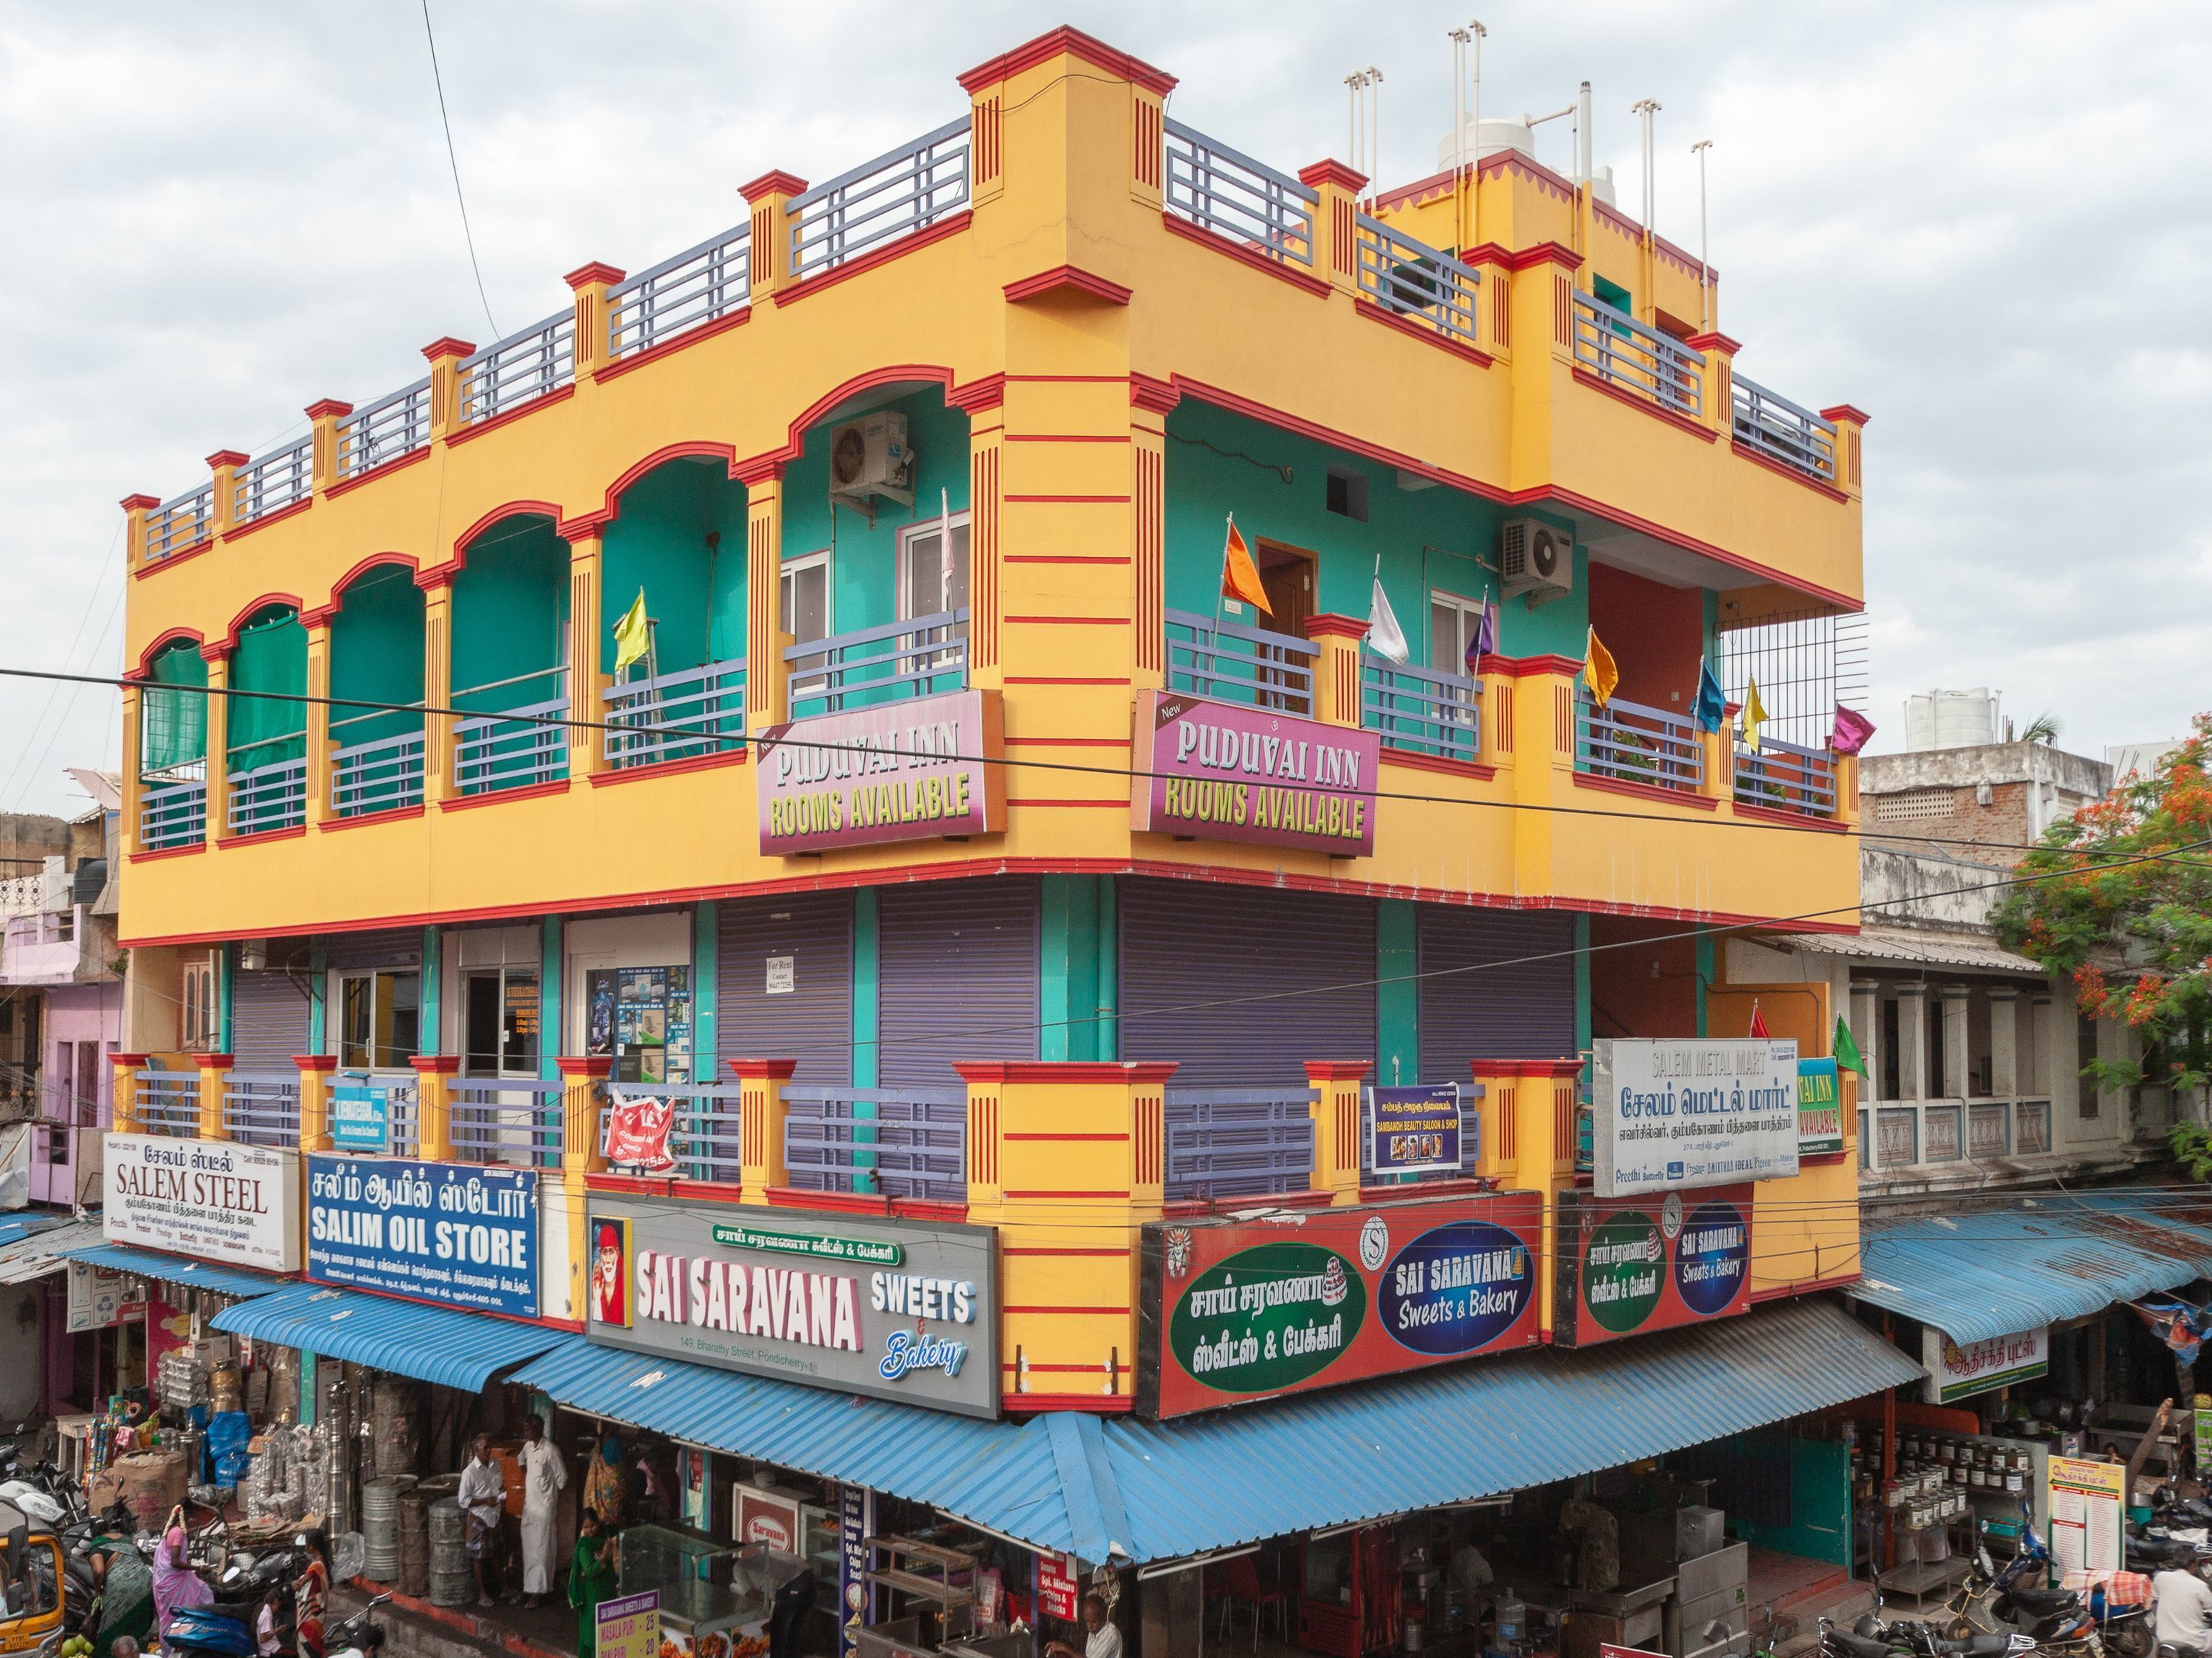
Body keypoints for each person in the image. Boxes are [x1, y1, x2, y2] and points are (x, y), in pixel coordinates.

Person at [517, 1414, 567, 1609]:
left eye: (529, 1430)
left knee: (542, 1552)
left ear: (539, 1429)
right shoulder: (528, 1447)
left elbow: (562, 1479)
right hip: (530, 1509)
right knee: (529, 1551)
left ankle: (539, 1593)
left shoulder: (551, 1450)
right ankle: (528, 1589)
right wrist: (528, 1477)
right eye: (525, 1429)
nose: (526, 1433)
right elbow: (521, 1460)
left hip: (545, 1510)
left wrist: (547, 1492)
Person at [85, 1534, 154, 1658]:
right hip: (144, 1580)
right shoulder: (125, 1538)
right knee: (137, 1621)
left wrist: (98, 1591)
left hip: (120, 1585)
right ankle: (136, 1651)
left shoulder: (96, 1546)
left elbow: (99, 1571)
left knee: (111, 1627)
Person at [459, 1433, 509, 1607]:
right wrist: (485, 1501)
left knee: (495, 1553)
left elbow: (500, 1485)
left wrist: (501, 1496)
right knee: (478, 1557)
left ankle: (504, 1588)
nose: (489, 1450)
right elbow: (463, 1501)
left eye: (490, 1447)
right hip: (479, 1517)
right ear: (476, 1449)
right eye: (485, 1448)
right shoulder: (470, 1472)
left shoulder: (496, 1465)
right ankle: (482, 1593)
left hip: (494, 1516)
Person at [150, 1510, 212, 1639]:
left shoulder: (171, 1529)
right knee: (202, 1597)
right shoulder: (178, 1532)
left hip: (170, 1580)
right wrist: (199, 1568)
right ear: (186, 1515)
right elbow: (175, 1562)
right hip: (175, 1581)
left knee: (204, 1594)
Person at [568, 1510, 620, 1658]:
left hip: (607, 1592)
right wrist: (603, 1556)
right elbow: (590, 1571)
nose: (590, 1530)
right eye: (586, 1527)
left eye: (592, 1526)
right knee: (592, 1637)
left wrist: (612, 1520)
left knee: (608, 1634)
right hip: (591, 1598)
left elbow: (617, 1528)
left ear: (598, 1524)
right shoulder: (584, 1546)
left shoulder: (604, 1536)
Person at [2154, 1559, 2212, 1657]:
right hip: (2194, 1643)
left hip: (2164, 1639)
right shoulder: (2200, 1585)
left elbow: (2155, 1596)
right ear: (2193, 1565)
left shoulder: (2160, 1577)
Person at [1043, 1592, 1122, 1658]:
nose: (1089, 1626)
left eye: (1094, 1622)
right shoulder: (1095, 1630)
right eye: (1087, 1621)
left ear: (1104, 1617)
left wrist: (1065, 1649)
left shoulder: (1111, 1634)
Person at [583, 1430, 625, 1528]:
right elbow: (623, 1468)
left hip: (593, 1499)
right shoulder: (615, 1444)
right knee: (611, 1526)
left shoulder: (594, 1451)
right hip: (610, 1497)